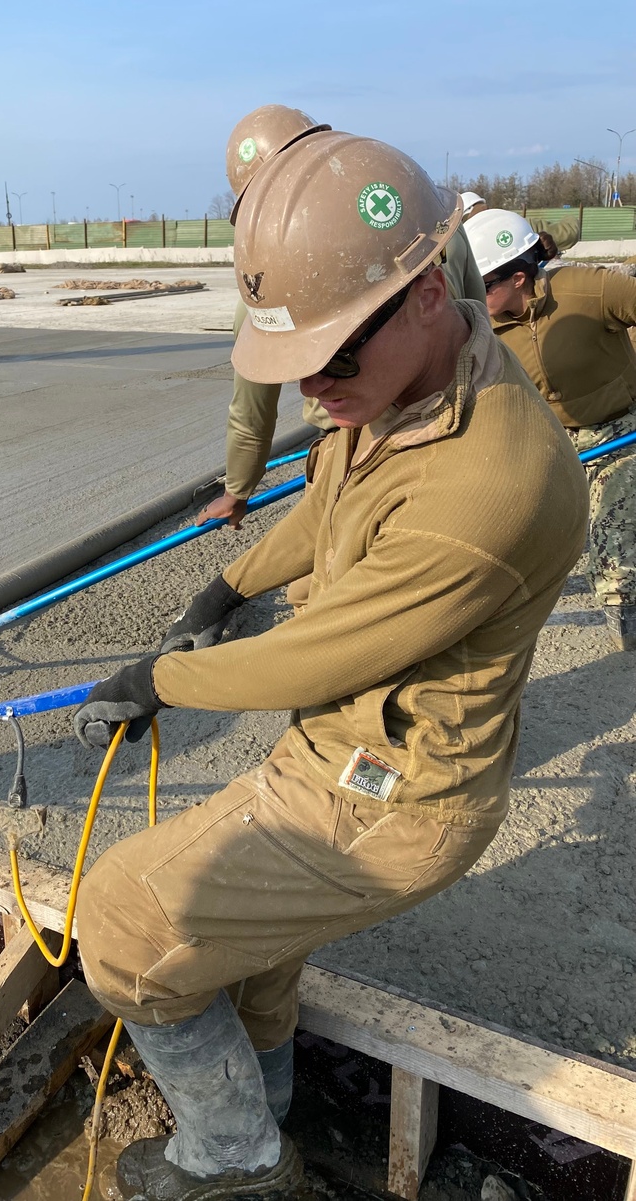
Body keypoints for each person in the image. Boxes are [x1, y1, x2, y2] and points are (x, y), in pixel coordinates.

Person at [73, 132, 588, 1201]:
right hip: (346, 747)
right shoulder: (398, 387)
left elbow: (317, 654)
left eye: (333, 358)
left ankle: (237, 1161)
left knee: (122, 919)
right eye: (293, 363)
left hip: (397, 798)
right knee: (243, 957)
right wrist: (227, 586)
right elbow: (328, 505)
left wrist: (162, 679)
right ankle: (262, 1110)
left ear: (425, 295)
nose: (313, 388)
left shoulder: (488, 487)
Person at [201, 113, 487, 532]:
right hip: (458, 421)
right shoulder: (429, 221)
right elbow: (476, 319)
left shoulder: (277, 297)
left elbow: (252, 409)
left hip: (357, 445)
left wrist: (238, 490)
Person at [465, 208, 636, 650]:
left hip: (616, 427)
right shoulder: (480, 328)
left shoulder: (589, 290)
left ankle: (622, 607)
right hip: (545, 435)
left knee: (613, 518)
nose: (470, 297)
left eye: (481, 287)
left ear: (518, 279)